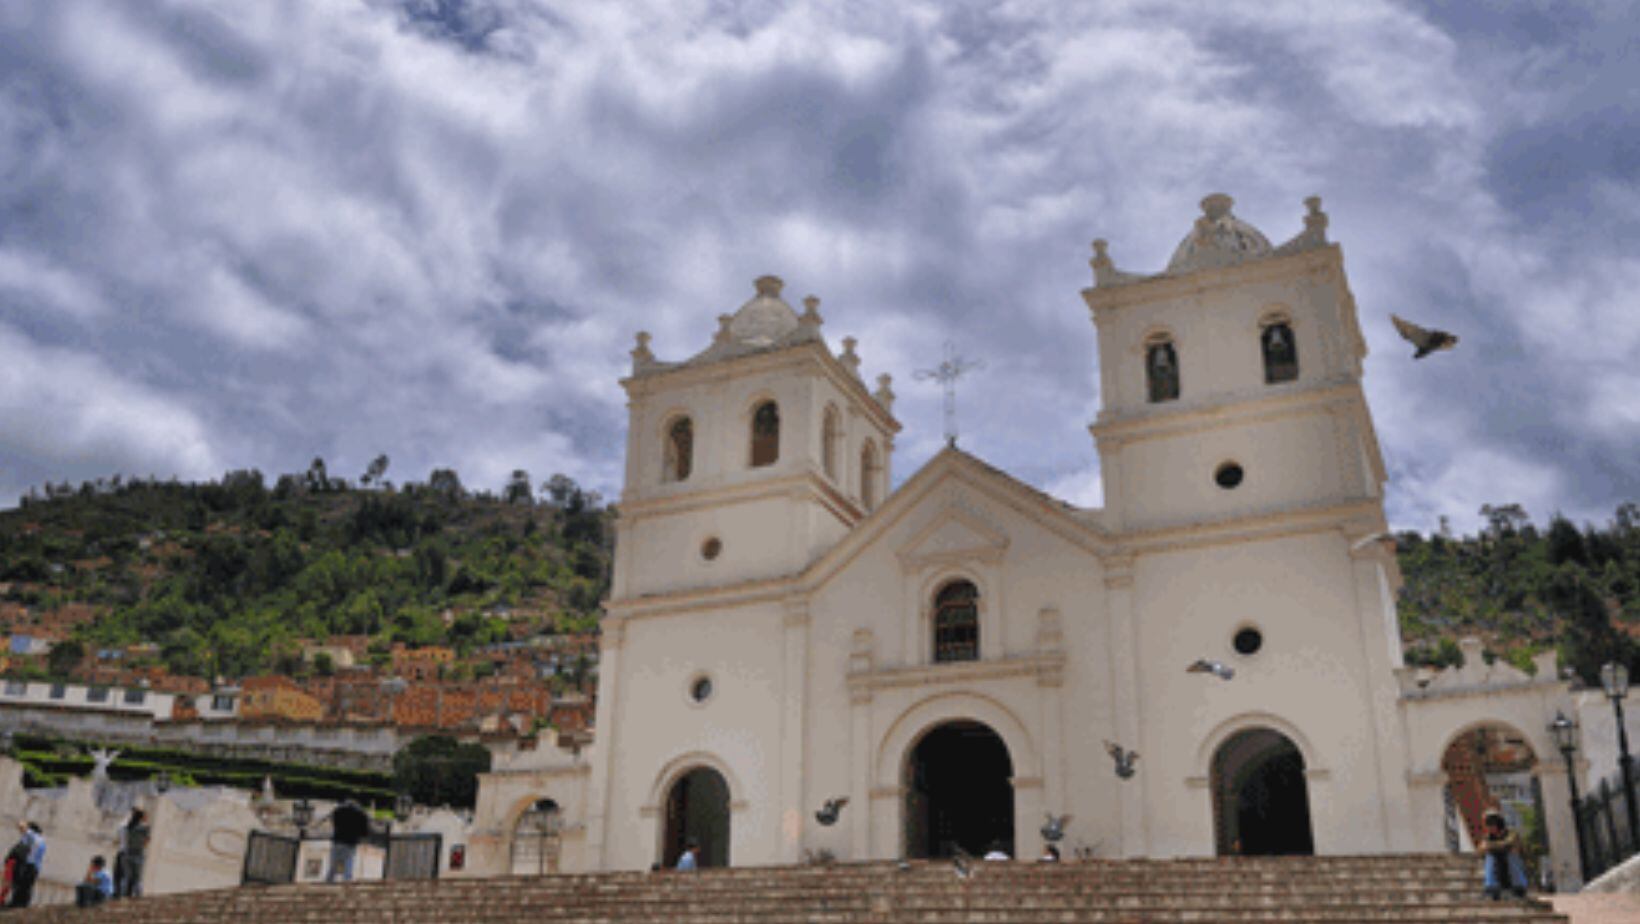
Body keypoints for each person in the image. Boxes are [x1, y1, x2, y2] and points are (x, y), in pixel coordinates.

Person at [1480, 809, 1529, 900]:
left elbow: (1509, 843)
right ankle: (1491, 888)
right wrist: (1497, 847)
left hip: (1512, 869)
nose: (1490, 827)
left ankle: (1519, 887)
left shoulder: (1511, 833)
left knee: (1512, 854)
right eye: (1488, 824)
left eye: (1492, 824)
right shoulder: (1487, 837)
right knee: (1489, 857)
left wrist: (1494, 846)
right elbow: (1482, 849)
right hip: (1498, 869)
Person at [322, 800, 373, 883]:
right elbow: (365, 830)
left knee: (336, 861)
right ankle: (346, 879)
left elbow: (334, 822)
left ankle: (332, 879)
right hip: (350, 842)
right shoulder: (361, 814)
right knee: (348, 861)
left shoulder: (339, 811)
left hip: (338, 840)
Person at [6, 822, 44, 908]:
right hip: (33, 868)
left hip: (28, 866)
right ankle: (21, 904)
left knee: (21, 886)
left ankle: (16, 904)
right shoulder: (40, 841)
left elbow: (20, 852)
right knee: (26, 887)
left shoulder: (33, 839)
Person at [116, 808, 150, 898]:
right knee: (137, 878)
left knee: (126, 877)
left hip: (127, 853)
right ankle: (138, 896)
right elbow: (146, 841)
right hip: (138, 853)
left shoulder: (127, 826)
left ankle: (122, 895)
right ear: (142, 817)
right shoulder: (145, 828)